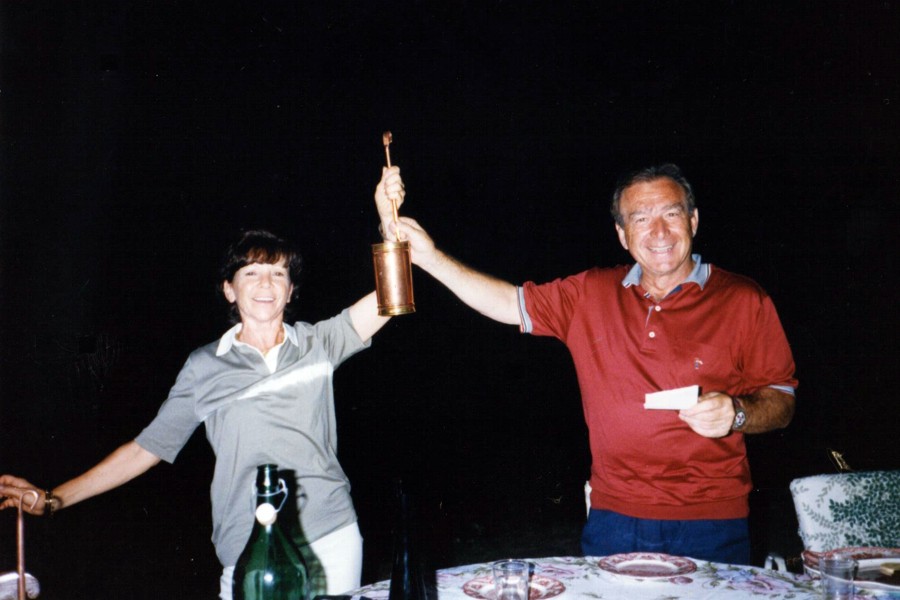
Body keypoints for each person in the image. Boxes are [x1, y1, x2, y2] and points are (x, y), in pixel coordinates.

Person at [0, 166, 406, 598]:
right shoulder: (204, 367)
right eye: (251, 272)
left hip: (330, 537)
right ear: (229, 289)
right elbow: (145, 450)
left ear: (290, 291)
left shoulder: (319, 343)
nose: (266, 283)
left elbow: (393, 293)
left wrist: (388, 222)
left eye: (278, 273)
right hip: (245, 546)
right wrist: (54, 499)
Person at [377, 163, 796, 564]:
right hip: (614, 518)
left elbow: (782, 400)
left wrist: (737, 413)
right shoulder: (591, 293)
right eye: (641, 218)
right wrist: (428, 257)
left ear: (694, 220)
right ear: (622, 234)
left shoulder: (744, 298)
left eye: (671, 213)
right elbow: (507, 303)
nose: (659, 231)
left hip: (713, 521)